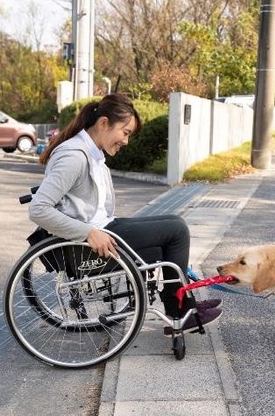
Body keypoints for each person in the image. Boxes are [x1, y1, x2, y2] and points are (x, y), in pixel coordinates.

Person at [28, 93, 222, 334]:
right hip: (88, 243)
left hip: (104, 228)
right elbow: (38, 209)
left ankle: (181, 307)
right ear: (103, 124)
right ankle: (181, 311)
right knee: (177, 230)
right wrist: (88, 233)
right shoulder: (74, 157)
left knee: (171, 226)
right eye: (125, 132)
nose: (126, 141)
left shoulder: (92, 153)